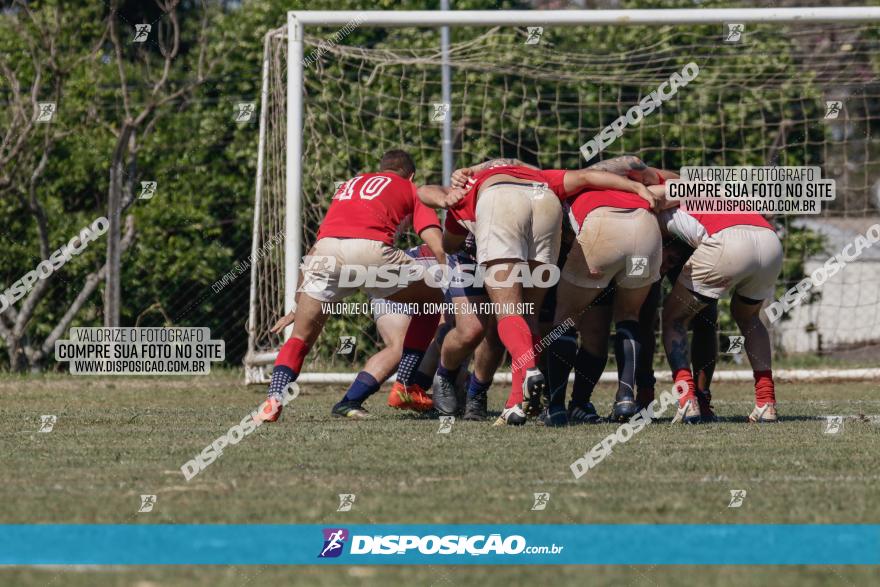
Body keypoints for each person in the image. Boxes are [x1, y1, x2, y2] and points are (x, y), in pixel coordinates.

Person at [256, 149, 461, 423]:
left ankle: (273, 399)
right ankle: (405, 386)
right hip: (370, 251)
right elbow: (433, 238)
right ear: (410, 174)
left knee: (300, 338)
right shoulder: (410, 188)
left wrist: (297, 303)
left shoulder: (351, 185)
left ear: (380, 169)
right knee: (432, 300)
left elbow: (317, 243)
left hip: (324, 252)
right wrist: (446, 271)